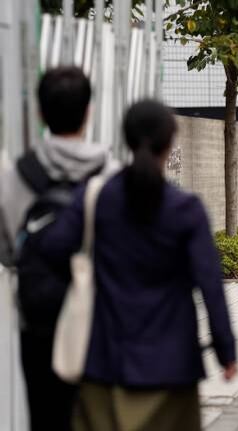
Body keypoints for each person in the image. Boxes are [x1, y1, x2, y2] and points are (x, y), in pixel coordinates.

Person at [39, 100, 238, 431]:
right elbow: (210, 283)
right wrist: (225, 351)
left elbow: (53, 248)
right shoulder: (186, 209)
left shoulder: (97, 196)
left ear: (127, 140)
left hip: (104, 359)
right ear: (170, 140)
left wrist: (84, 275)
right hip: (173, 365)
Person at [0, 67, 115, 431]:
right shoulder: (111, 174)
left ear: (40, 113)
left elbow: (5, 250)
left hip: (37, 318)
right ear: (88, 111)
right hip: (100, 318)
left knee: (45, 418)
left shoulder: (17, 174)